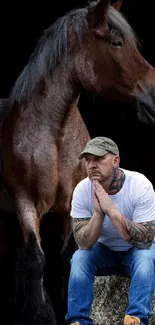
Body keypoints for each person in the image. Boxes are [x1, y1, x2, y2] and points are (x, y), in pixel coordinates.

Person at [65, 136, 155, 325]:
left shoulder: (140, 185)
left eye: (98, 158)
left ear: (116, 161)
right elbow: (83, 242)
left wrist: (112, 210)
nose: (92, 164)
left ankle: (136, 319)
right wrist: (98, 214)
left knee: (146, 257)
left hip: (135, 252)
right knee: (79, 258)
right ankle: (78, 321)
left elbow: (145, 240)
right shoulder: (82, 189)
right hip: (104, 252)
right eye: (88, 160)